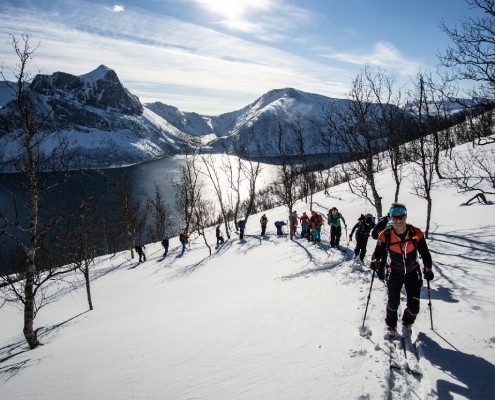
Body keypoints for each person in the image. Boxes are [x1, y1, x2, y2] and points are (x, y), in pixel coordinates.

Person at [371, 203, 434, 334]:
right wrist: (375, 261)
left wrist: (428, 268)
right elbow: (377, 252)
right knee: (393, 304)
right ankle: (391, 325)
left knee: (414, 309)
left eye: (401, 217)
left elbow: (425, 253)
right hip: (394, 272)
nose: (398, 220)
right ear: (391, 218)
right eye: (395, 217)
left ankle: (407, 321)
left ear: (406, 216)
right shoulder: (385, 235)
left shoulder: (415, 233)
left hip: (413, 273)